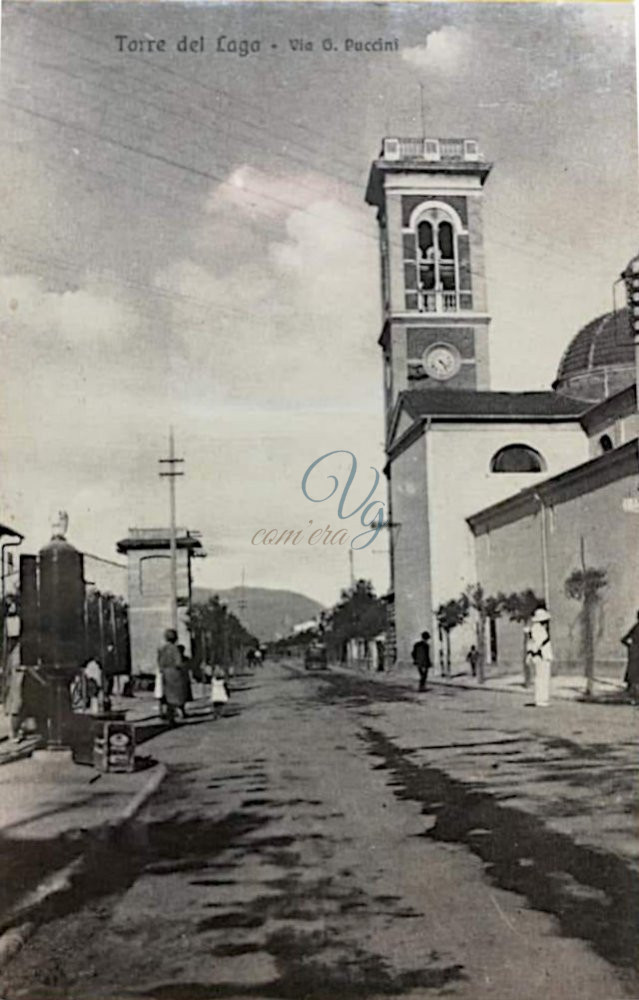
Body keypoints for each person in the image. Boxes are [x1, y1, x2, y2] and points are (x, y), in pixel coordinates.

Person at [157, 628, 188, 724]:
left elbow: (159, 662)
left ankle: (169, 716)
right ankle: (174, 715)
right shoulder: (175, 649)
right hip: (175, 673)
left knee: (167, 696)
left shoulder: (162, 648)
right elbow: (178, 662)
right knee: (177, 696)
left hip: (165, 673)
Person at [529, 607, 552, 706]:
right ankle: (540, 699)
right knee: (541, 678)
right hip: (541, 656)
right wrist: (536, 652)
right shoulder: (537, 628)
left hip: (543, 655)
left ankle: (542, 698)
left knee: (543, 677)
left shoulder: (539, 628)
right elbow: (537, 643)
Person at [621, 611, 639, 701]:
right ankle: (632, 690)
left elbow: (623, 639)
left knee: (632, 669)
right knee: (633, 670)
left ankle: (631, 688)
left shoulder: (635, 627)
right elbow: (623, 639)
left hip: (634, 651)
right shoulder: (636, 627)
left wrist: (630, 646)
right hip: (635, 652)